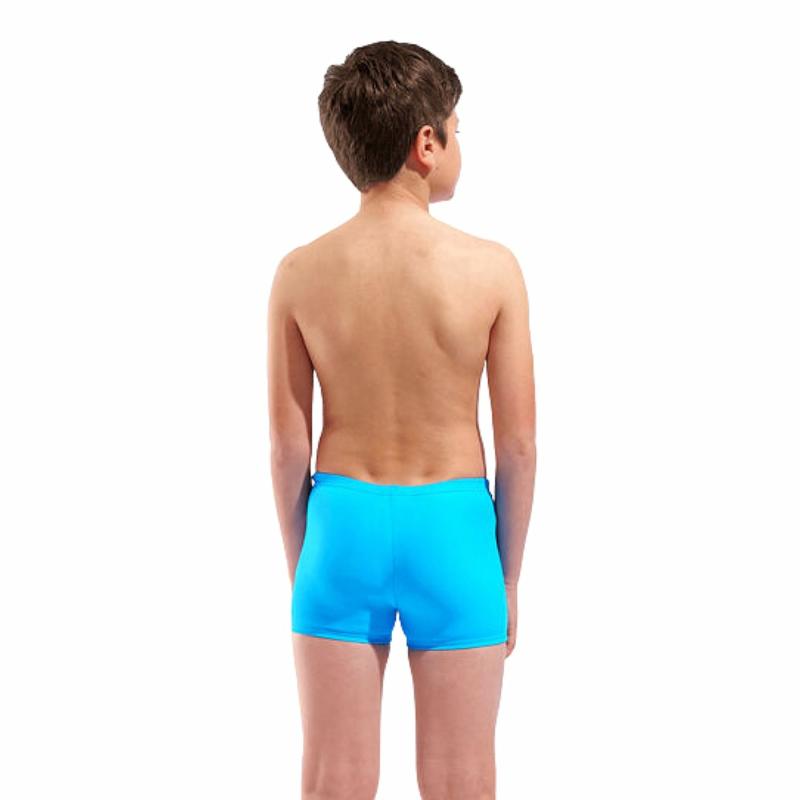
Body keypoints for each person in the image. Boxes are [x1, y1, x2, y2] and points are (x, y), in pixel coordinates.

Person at [267, 40, 536, 800]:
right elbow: (518, 446)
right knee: (461, 783)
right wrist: (508, 575)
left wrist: (304, 562)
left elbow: (286, 448)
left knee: (334, 782)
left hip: (341, 525)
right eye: (458, 127)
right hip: (454, 531)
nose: (459, 143)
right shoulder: (492, 269)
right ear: (427, 144)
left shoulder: (299, 273)